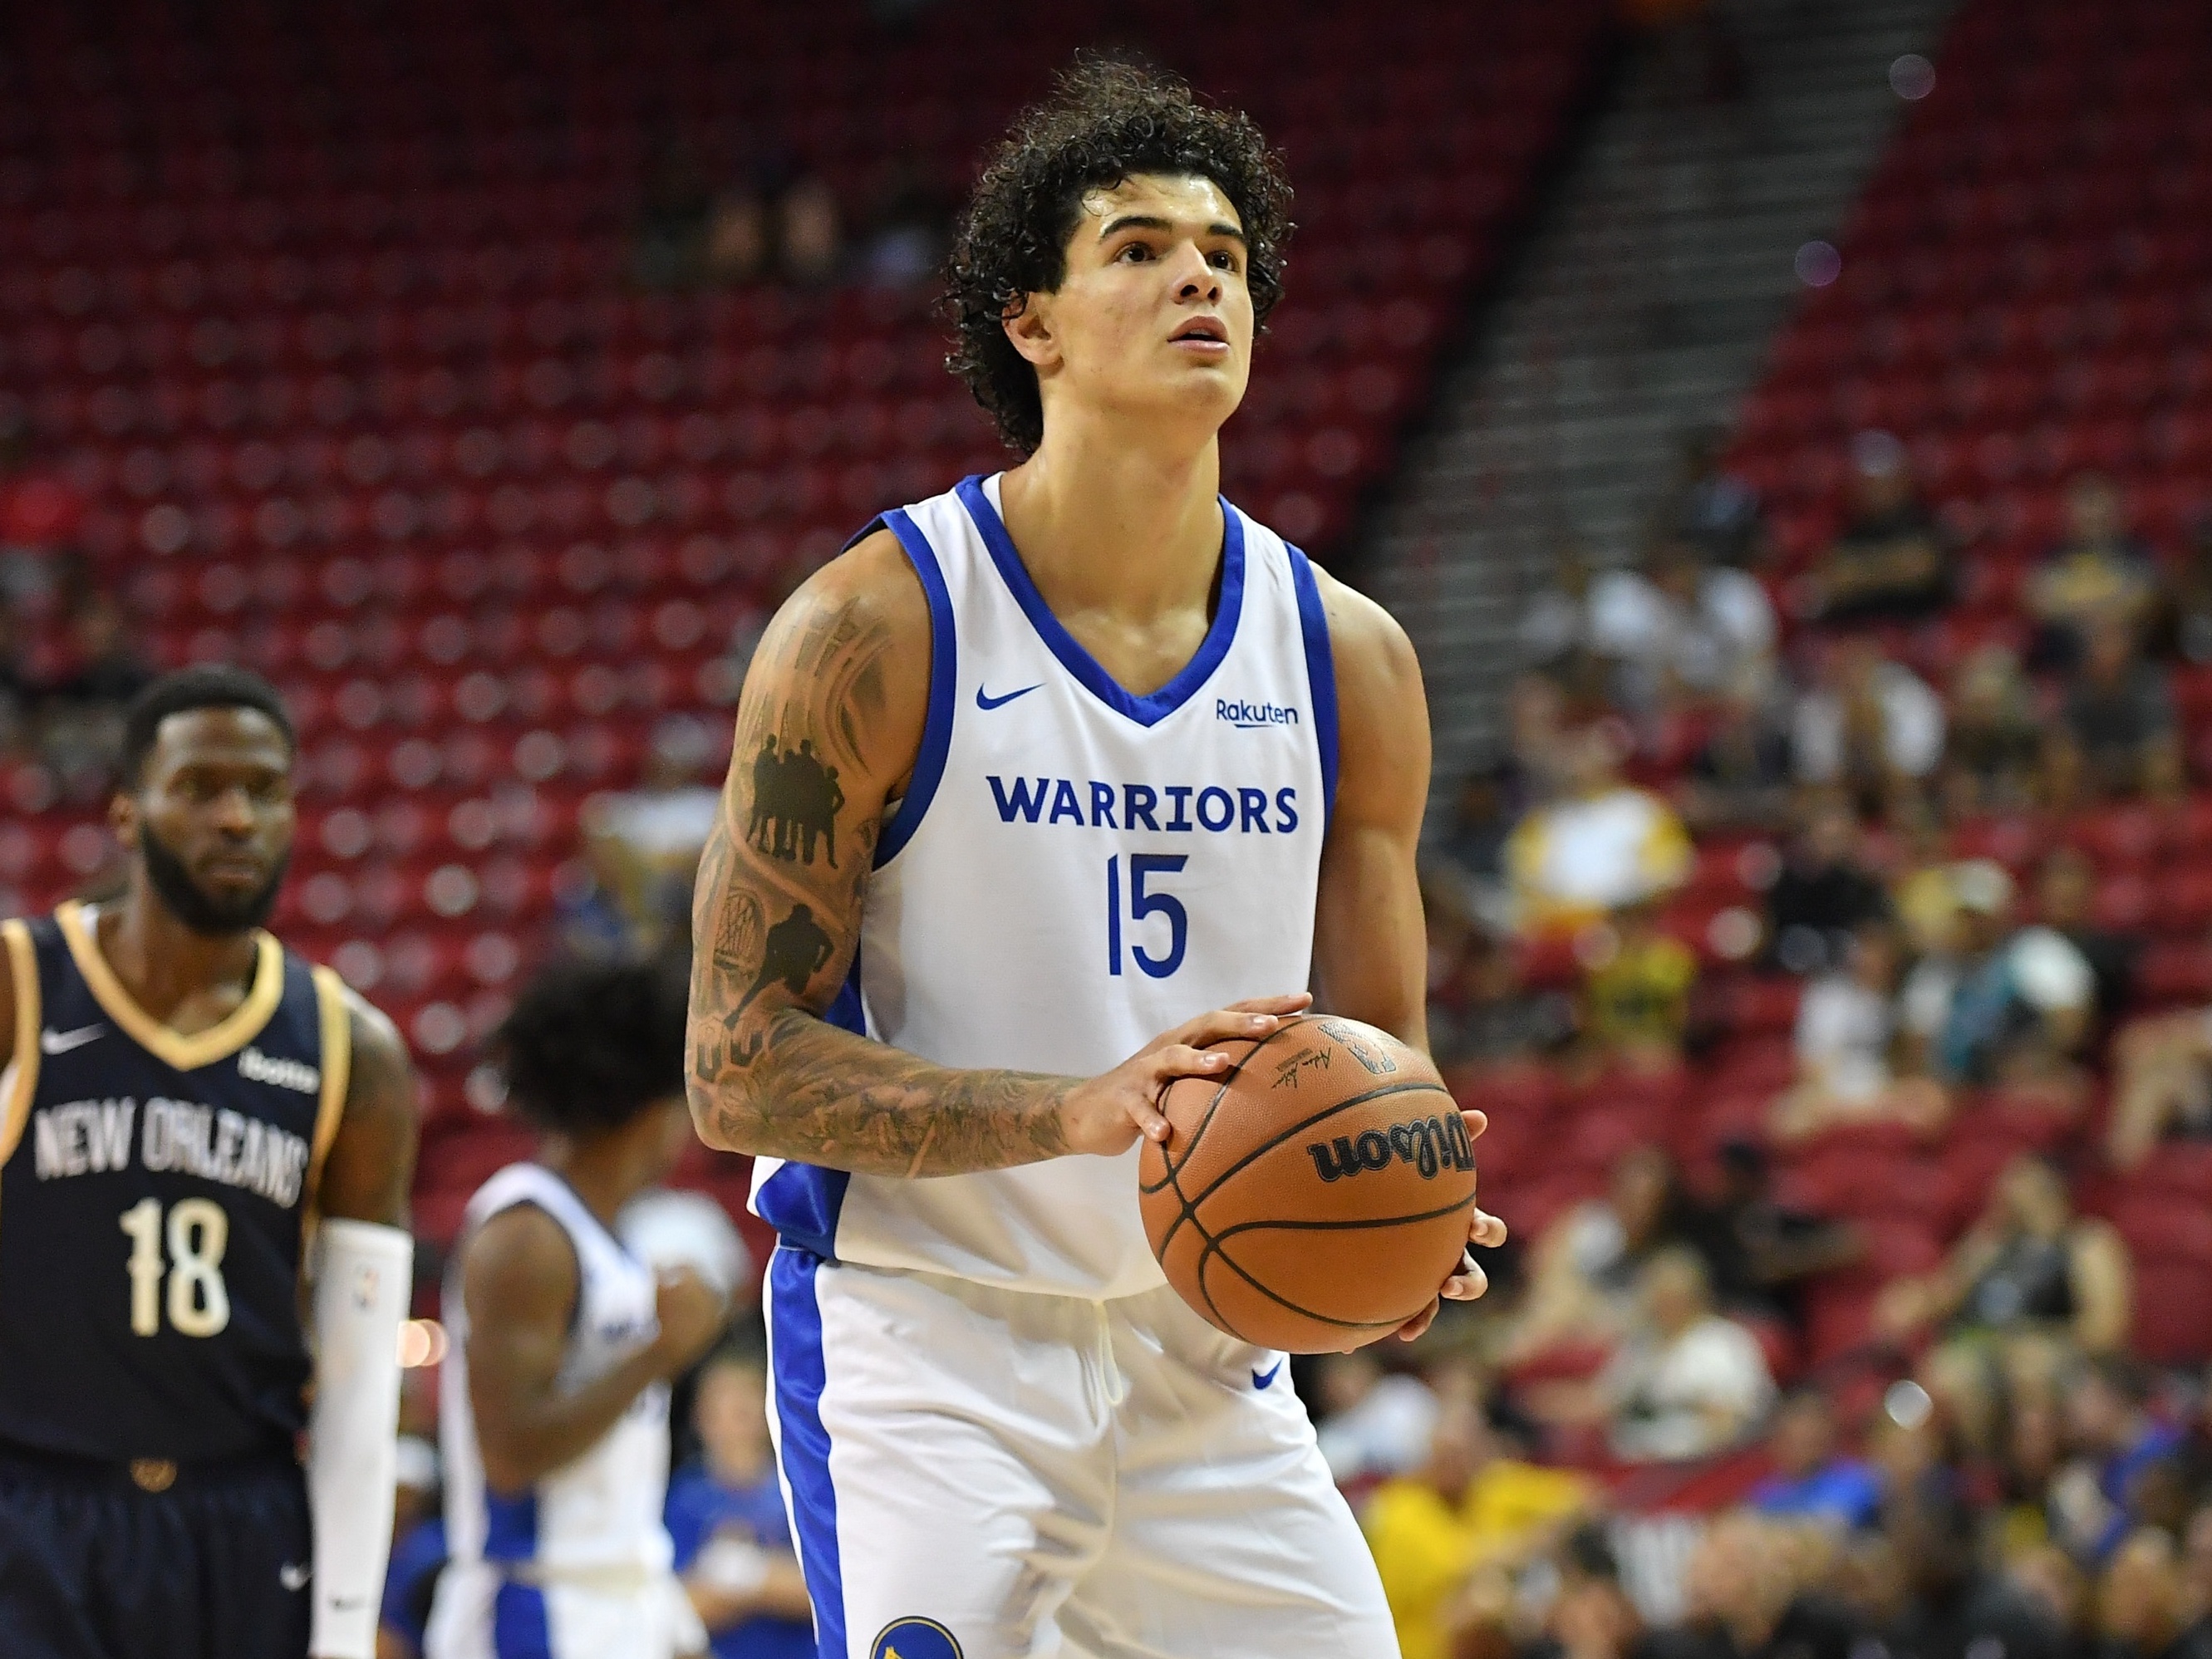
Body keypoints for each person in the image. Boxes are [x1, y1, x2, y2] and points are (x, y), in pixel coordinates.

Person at [683, 62, 1501, 1655]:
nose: (1200, 274)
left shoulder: (1352, 661)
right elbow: (736, 1068)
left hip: (1209, 1356)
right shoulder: (877, 625)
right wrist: (1076, 1110)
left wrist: (1405, 1213)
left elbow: (1384, 1058)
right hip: (932, 1353)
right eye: (1136, 247)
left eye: (1226, 255)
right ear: (1028, 320)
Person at [0, 665, 419, 1659]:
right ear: (127, 814)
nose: (236, 817)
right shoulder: (21, 985)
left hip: (244, 1520)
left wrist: (347, 1629)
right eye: (199, 788)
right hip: (36, 1505)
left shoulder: (352, 1048)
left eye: (264, 790)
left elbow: (362, 1384)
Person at [427, 960, 730, 1659]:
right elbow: (510, 1454)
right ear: (649, 1105)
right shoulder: (527, 1234)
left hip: (618, 1594)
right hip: (534, 1608)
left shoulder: (609, 1233)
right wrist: (659, 1353)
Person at [1874, 1156, 2131, 1453]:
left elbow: (2106, 1327)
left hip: (2051, 1351)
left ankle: (2037, 1473)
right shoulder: (1988, 1244)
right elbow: (1943, 1293)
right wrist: (1910, 1302)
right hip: (1985, 1350)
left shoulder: (2084, 1242)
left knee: (2028, 1369)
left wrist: (2043, 1342)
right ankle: (1977, 1477)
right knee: (1943, 1375)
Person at [1360, 1368, 1590, 1659]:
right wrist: (1516, 1552)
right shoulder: (1398, 1507)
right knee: (1483, 1601)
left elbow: (1583, 1498)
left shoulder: (1494, 1484)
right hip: (1419, 1649)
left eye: (1465, 1453)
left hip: (1508, 1635)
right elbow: (1462, 1568)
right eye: (1446, 1454)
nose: (1456, 1465)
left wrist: (1541, 1539)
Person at [664, 1342, 814, 1659]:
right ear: (699, 1416)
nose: (731, 1424)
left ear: (764, 1412)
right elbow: (672, 1607)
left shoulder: (796, 1490)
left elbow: (826, 1591)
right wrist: (771, 1587)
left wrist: (749, 1573)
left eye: (742, 1410)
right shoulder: (686, 1497)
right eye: (719, 1408)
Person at [1900, 861, 2096, 1099]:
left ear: (1997, 916)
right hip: (1954, 1086)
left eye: (1973, 917)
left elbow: (2070, 1023)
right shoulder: (1935, 970)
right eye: (1959, 917)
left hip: (2024, 1077)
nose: (1965, 925)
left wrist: (2034, 1062)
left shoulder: (2036, 949)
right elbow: (1917, 1046)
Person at [1505, 722, 1693, 937]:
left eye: (1585, 754)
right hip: (1564, 934)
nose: (1577, 764)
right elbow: (1527, 884)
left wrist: (1615, 910)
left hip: (1631, 930)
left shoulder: (1644, 811)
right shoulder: (1542, 824)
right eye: (1572, 755)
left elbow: (1668, 874)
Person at [1772, 920, 1949, 1143]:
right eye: (1866, 949)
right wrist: (1851, 1106)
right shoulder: (1828, 997)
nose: (1873, 958)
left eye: (1881, 951)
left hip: (1886, 1093)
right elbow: (1811, 1069)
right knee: (1784, 1119)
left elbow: (1913, 1069)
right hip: (1834, 1096)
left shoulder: (1907, 1001)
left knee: (1933, 1103)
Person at [1885, 1472, 2063, 1659]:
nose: (1910, 1558)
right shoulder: (1906, 1620)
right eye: (1903, 1545)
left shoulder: (2005, 1615)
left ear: (1953, 1544)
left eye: (1918, 1546)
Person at [1800, 431, 1954, 627]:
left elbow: (1920, 567)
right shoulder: (1847, 528)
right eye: (1867, 482)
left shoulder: (1923, 522)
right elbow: (1829, 579)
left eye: (1883, 482)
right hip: (1858, 638)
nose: (1874, 492)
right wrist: (1893, 565)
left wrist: (1858, 572)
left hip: (1918, 633)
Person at [2028, 473, 2160, 672]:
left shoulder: (2134, 552)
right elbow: (2035, 600)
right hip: (2064, 654)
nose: (2093, 515)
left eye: (2100, 509)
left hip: (2126, 657)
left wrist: (2081, 609)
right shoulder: (2055, 554)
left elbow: (2146, 598)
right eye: (2087, 508)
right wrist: (2093, 613)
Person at [2047, 614, 2184, 805]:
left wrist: (2128, 764)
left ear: (2129, 650)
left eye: (2113, 644)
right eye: (2100, 645)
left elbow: (2160, 738)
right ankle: (2064, 828)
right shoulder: (2078, 687)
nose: (2106, 653)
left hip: (2136, 762)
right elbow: (2066, 735)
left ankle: (2167, 826)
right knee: (2061, 760)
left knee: (2162, 763)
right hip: (2092, 766)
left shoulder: (2148, 684)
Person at [1763, 795, 1892, 976]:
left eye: (1839, 839)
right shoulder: (1782, 882)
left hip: (1844, 980)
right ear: (1808, 837)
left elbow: (1872, 937)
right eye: (1827, 838)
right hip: (1789, 978)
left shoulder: (1859, 888)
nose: (1832, 847)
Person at [1749, 1391, 1885, 1531]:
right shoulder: (1766, 1493)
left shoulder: (1857, 1479)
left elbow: (1833, 1526)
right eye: (1790, 1439)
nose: (1798, 1448)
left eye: (1808, 1441)